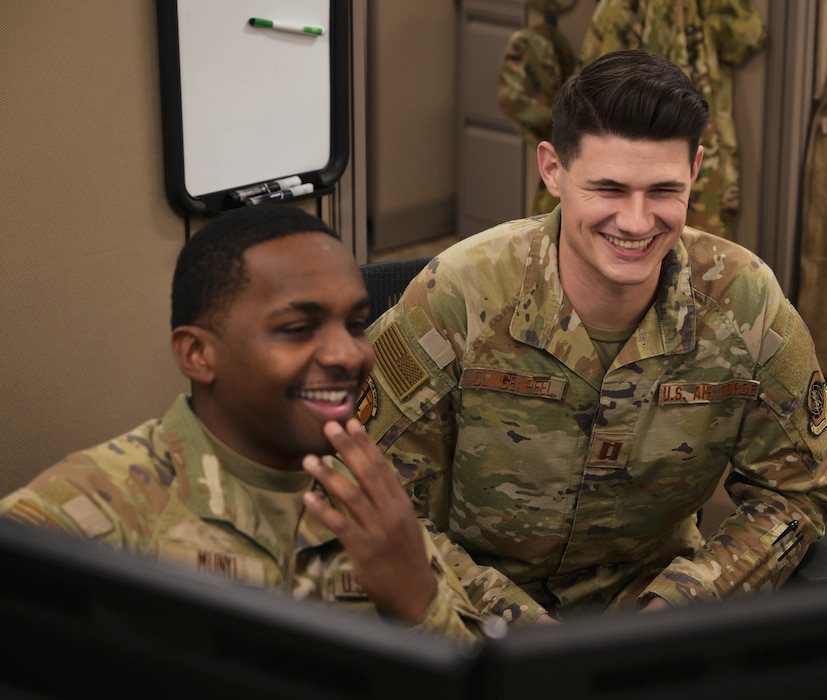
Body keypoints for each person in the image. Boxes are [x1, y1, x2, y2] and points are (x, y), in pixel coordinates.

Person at [361, 49, 827, 625]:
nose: (637, 222)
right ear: (552, 170)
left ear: (695, 171)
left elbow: (792, 493)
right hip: (471, 617)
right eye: (608, 189)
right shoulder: (458, 296)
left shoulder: (745, 304)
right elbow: (376, 504)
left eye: (662, 190)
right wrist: (522, 630)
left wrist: (682, 603)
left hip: (654, 617)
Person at [0, 205, 482, 642]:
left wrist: (418, 604)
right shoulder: (87, 512)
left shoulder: (370, 502)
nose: (349, 354)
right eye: (297, 329)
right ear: (198, 354)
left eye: (355, 324)